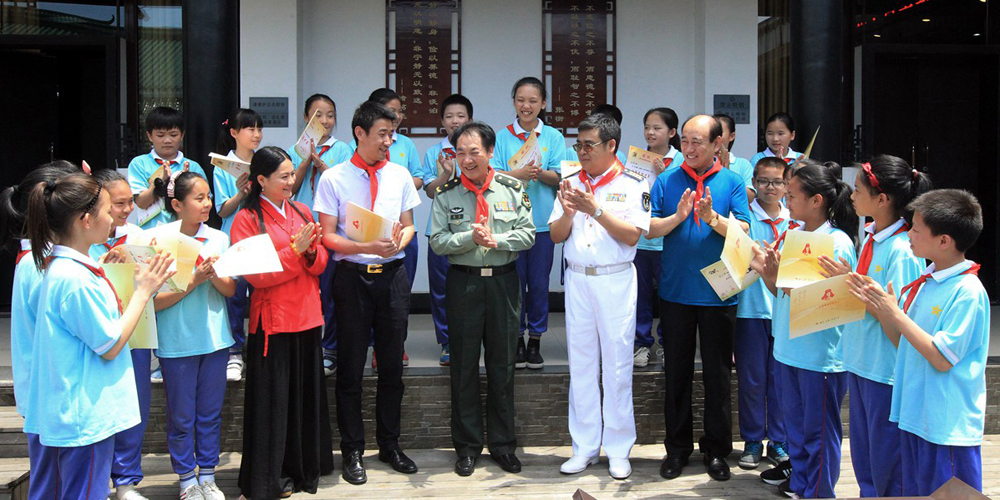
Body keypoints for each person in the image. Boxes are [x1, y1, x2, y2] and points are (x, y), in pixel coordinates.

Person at [23, 173, 172, 500]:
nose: (115, 217)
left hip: (72, 414)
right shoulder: (75, 278)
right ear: (84, 220)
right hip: (84, 420)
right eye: (107, 210)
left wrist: (106, 265)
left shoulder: (65, 268)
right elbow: (110, 344)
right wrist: (143, 291)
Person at [847, 189, 989, 496]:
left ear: (944, 241)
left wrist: (893, 313)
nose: (909, 234)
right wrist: (881, 307)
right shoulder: (926, 282)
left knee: (950, 492)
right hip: (915, 417)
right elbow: (903, 342)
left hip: (945, 427)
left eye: (916, 229)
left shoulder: (968, 290)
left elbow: (941, 357)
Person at [315, 101, 421, 485]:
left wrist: (398, 241)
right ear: (359, 133)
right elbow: (327, 236)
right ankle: (353, 450)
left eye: (391, 134)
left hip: (392, 276)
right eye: (382, 134)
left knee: (392, 365)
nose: (388, 141)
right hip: (352, 279)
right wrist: (366, 248)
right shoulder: (334, 179)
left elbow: (409, 225)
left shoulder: (399, 174)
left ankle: (390, 445)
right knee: (351, 366)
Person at [817, 155, 931, 497]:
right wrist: (849, 284)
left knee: (888, 467)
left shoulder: (903, 250)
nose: (852, 195)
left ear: (882, 200)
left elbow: (901, 318)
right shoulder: (871, 237)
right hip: (862, 362)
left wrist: (854, 286)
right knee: (866, 462)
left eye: (859, 189)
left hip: (886, 371)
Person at [647, 114, 750, 482]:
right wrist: (678, 217)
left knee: (718, 376)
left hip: (718, 295)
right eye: (685, 141)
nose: (688, 149)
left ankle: (717, 450)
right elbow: (650, 226)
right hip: (675, 292)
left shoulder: (733, 182)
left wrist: (714, 219)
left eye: (697, 142)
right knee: (676, 373)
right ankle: (677, 449)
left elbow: (746, 230)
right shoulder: (667, 179)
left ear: (717, 144)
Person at [429, 121, 535, 477]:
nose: (467, 159)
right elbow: (438, 242)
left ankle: (504, 446)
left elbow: (528, 235)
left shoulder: (512, 188)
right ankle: (468, 447)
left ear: (490, 153)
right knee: (463, 367)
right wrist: (469, 240)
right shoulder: (447, 193)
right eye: (460, 152)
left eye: (475, 152)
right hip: (464, 284)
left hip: (504, 284)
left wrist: (498, 242)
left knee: (503, 366)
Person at [550, 114, 650, 480]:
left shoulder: (635, 182)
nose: (581, 151)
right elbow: (557, 236)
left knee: (618, 365)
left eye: (588, 145)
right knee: (581, 364)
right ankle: (585, 446)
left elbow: (632, 236)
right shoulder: (570, 182)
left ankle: (619, 448)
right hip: (577, 279)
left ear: (611, 146)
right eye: (578, 145)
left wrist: (595, 209)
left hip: (615, 280)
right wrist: (571, 210)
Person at [232, 146, 334, 498]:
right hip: (272, 321)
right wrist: (294, 250)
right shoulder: (247, 219)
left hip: (306, 315)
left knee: (304, 400)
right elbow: (258, 276)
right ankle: (266, 479)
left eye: (292, 174)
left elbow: (321, 263)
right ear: (261, 180)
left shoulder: (302, 209)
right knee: (272, 404)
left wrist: (309, 250)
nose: (292, 181)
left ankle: (304, 471)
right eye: (284, 176)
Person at [757, 160, 858, 498]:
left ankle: (818, 492)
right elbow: (782, 295)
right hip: (788, 349)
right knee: (797, 432)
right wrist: (772, 276)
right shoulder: (796, 234)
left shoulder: (837, 242)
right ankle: (800, 485)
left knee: (818, 433)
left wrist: (792, 287)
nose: (785, 197)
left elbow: (835, 306)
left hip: (820, 357)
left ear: (816, 200)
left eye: (793, 193)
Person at [154, 171, 236, 500]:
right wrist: (194, 280)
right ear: (177, 204)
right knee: (182, 415)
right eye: (199, 199)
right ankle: (187, 478)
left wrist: (212, 274)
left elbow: (230, 290)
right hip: (175, 340)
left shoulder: (218, 238)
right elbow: (155, 301)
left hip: (214, 338)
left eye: (208, 197)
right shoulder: (158, 239)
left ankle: (209, 475)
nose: (207, 204)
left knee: (210, 413)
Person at [1, 161, 81, 497]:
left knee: (49, 484)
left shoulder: (37, 261)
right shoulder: (50, 268)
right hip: (55, 399)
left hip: (44, 396)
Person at [490, 76, 567, 370]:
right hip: (509, 223)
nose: (526, 105)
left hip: (544, 223)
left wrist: (538, 173)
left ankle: (535, 340)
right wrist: (517, 175)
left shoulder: (554, 137)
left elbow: (560, 176)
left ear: (543, 104)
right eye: (521, 100)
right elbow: (493, 174)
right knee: (513, 284)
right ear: (513, 103)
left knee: (537, 284)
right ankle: (516, 340)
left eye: (533, 101)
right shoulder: (501, 136)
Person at [87, 169, 151, 500]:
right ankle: (98, 479)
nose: (127, 210)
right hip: (97, 339)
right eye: (119, 203)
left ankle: (126, 480)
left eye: (130, 202)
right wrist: (105, 268)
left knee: (133, 405)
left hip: (136, 334)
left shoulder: (138, 236)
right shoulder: (84, 245)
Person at [287, 93, 353, 376]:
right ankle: (305, 347)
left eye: (330, 115)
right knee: (303, 291)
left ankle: (330, 348)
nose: (325, 121)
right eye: (318, 115)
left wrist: (322, 166)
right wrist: (305, 160)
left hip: (330, 227)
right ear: (306, 118)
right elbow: (290, 187)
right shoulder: (294, 150)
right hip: (302, 227)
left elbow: (346, 186)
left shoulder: (343, 150)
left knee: (330, 291)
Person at [354, 90, 425, 351]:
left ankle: (395, 345)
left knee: (398, 297)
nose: (396, 117)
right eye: (390, 111)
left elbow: (418, 178)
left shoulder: (404, 145)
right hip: (364, 238)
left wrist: (400, 183)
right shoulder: (357, 148)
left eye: (398, 111)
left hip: (400, 233)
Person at [733, 157, 792, 471]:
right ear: (754, 182)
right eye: (764, 181)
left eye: (778, 182)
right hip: (749, 311)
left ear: (786, 185)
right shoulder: (745, 221)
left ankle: (779, 440)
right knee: (752, 379)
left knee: (780, 378)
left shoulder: (794, 222)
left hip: (784, 311)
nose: (771, 188)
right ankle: (753, 439)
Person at [423, 94, 474, 366]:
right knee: (441, 290)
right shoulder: (434, 153)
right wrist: (445, 173)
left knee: (471, 290)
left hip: (473, 231)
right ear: (442, 121)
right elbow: (431, 192)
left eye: (461, 116)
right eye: (450, 116)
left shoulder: (478, 150)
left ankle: (470, 341)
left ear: (470, 119)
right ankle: (447, 342)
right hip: (441, 232)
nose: (455, 121)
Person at [633, 107, 684, 368]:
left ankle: (667, 343)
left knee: (668, 296)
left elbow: (681, 201)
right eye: (647, 127)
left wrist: (663, 175)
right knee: (640, 295)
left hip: (668, 241)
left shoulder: (683, 162)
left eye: (657, 128)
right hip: (640, 239)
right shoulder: (637, 160)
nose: (650, 133)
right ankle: (642, 344)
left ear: (672, 132)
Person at [214, 108, 262, 382]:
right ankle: (234, 350)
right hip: (233, 238)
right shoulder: (222, 166)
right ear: (234, 133)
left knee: (261, 293)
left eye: (258, 129)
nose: (256, 135)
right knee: (234, 296)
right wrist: (242, 192)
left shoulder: (264, 162)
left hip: (260, 237)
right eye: (250, 129)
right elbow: (222, 210)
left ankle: (257, 347)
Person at [127, 106, 207, 230]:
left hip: (184, 233)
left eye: (173, 135)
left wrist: (184, 184)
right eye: (160, 135)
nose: (167, 140)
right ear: (149, 136)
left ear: (182, 135)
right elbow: (141, 203)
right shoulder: (139, 164)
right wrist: (160, 183)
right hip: (150, 233)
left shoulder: (193, 166)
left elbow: (203, 203)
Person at [714, 113, 755, 202]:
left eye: (720, 133)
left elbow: (750, 197)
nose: (715, 137)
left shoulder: (743, 164)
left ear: (731, 136)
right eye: (712, 132)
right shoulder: (701, 162)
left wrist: (727, 175)